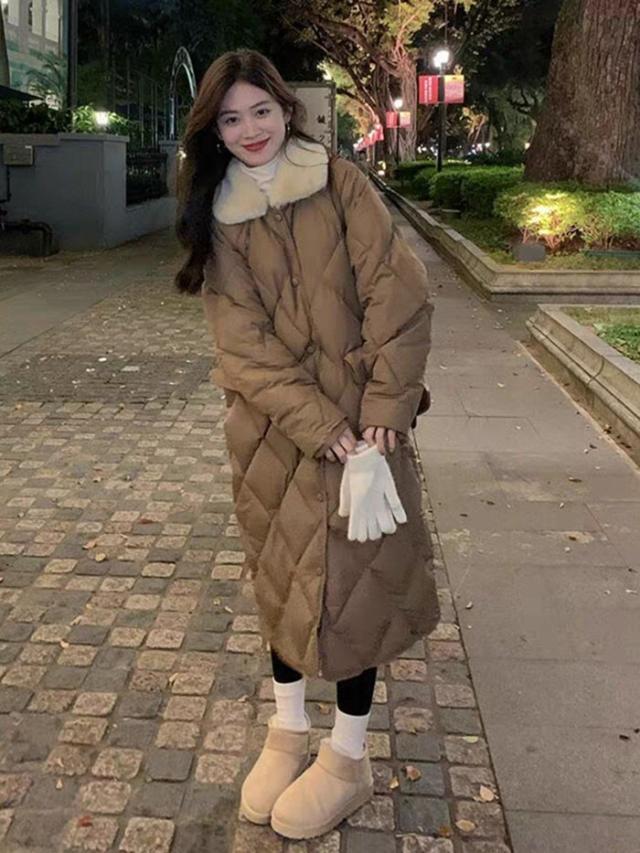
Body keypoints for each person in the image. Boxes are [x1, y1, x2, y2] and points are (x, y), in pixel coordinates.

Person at [175, 48, 440, 841]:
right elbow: (242, 343)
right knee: (283, 578)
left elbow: (398, 288)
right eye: (231, 118)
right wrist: (322, 428)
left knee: (361, 588)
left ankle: (348, 756)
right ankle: (287, 729)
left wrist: (384, 405)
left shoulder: (339, 181)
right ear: (215, 131)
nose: (250, 129)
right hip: (277, 435)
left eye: (261, 110)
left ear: (285, 110)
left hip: (366, 426)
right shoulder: (218, 215)